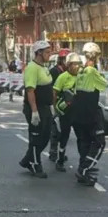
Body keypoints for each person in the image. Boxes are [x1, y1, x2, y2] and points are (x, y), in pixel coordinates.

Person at [74, 42, 108, 186]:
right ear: (95, 56)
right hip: (91, 113)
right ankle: (84, 168)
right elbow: (104, 84)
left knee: (85, 142)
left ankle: (84, 170)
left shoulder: (80, 71)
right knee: (100, 143)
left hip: (79, 113)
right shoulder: (91, 71)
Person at [18, 40, 54, 179]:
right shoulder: (32, 68)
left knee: (45, 136)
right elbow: (30, 91)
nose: (49, 55)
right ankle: (34, 163)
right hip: (35, 107)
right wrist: (34, 111)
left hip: (45, 107)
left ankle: (27, 160)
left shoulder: (43, 67)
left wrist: (51, 106)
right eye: (47, 52)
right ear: (39, 53)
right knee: (36, 137)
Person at [52, 52, 82, 172]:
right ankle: (60, 160)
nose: (78, 67)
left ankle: (83, 161)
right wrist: (55, 110)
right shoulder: (63, 77)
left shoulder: (81, 76)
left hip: (78, 111)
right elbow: (54, 93)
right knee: (64, 136)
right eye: (75, 64)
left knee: (81, 136)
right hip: (66, 112)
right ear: (69, 65)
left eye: (79, 64)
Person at [48, 49, 68, 160]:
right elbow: (52, 90)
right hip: (55, 104)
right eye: (66, 60)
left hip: (65, 105)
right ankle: (53, 152)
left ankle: (61, 153)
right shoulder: (54, 71)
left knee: (64, 130)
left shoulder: (68, 73)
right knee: (55, 130)